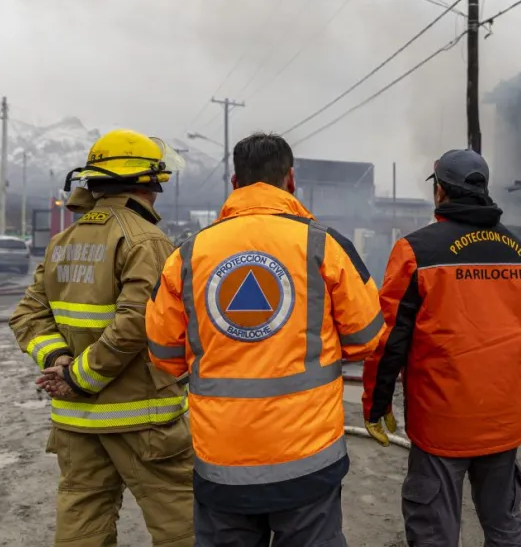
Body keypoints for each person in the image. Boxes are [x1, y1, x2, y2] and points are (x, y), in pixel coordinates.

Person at [145, 132, 385, 547]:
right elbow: (367, 337)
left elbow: (164, 354)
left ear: (234, 182)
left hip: (222, 462)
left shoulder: (187, 255)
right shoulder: (323, 244)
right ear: (291, 179)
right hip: (308, 457)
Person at [9, 129, 194, 547]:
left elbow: (27, 314)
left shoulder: (63, 242)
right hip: (143, 420)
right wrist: (80, 377)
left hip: (76, 422)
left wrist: (57, 360)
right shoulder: (146, 240)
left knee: (83, 526)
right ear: (147, 185)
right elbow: (137, 323)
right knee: (182, 526)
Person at [361, 149, 521, 547]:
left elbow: (389, 340)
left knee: (435, 530)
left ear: (440, 192)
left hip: (440, 424)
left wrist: (377, 405)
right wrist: (510, 390)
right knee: (504, 527)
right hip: (502, 421)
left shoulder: (415, 252)